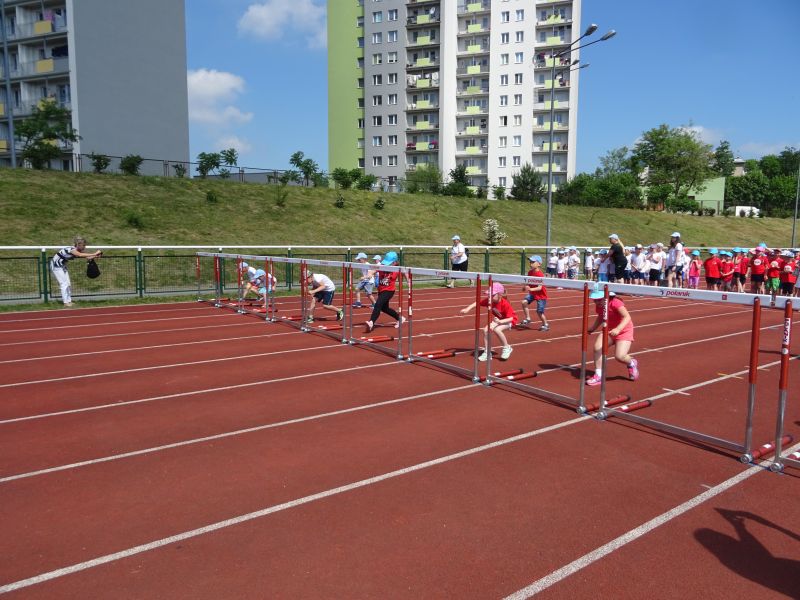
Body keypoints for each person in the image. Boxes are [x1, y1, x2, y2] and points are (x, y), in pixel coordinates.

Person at [585, 286, 638, 386]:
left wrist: (618, 329)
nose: (596, 302)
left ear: (607, 296)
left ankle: (631, 363)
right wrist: (593, 328)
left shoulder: (616, 303)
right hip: (608, 330)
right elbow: (601, 316)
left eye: (599, 300)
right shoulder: (599, 306)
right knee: (597, 348)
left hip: (624, 330)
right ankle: (598, 375)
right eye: (595, 300)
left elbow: (627, 317)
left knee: (620, 356)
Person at [460, 282, 518, 361]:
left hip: (509, 320)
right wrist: (467, 309)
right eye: (489, 295)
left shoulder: (505, 304)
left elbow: (511, 318)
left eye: (492, 295)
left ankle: (507, 347)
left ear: (500, 295)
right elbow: (478, 302)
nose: (490, 297)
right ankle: (487, 352)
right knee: (486, 330)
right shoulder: (490, 301)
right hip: (499, 320)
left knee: (497, 330)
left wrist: (500, 322)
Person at [50, 236, 103, 307]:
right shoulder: (71, 249)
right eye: (83, 245)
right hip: (56, 266)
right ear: (78, 245)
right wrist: (95, 253)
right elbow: (80, 255)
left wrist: (96, 256)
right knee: (64, 284)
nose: (84, 247)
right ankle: (65, 302)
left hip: (62, 266)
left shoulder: (78, 250)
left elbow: (87, 257)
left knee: (68, 283)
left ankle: (69, 301)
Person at [365, 251, 406, 332]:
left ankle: (371, 322)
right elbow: (372, 270)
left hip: (389, 291)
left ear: (394, 262)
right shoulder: (382, 266)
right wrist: (369, 274)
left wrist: (408, 281)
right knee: (384, 308)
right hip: (381, 290)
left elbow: (405, 274)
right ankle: (400, 318)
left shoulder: (397, 269)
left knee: (378, 304)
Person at [521, 255, 549, 331]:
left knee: (539, 312)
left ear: (539, 264)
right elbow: (528, 283)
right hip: (533, 294)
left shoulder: (540, 274)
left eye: (533, 262)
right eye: (530, 262)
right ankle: (528, 318)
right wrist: (525, 287)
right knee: (524, 302)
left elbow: (540, 288)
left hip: (541, 295)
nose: (531, 264)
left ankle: (545, 324)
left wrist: (530, 289)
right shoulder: (530, 272)